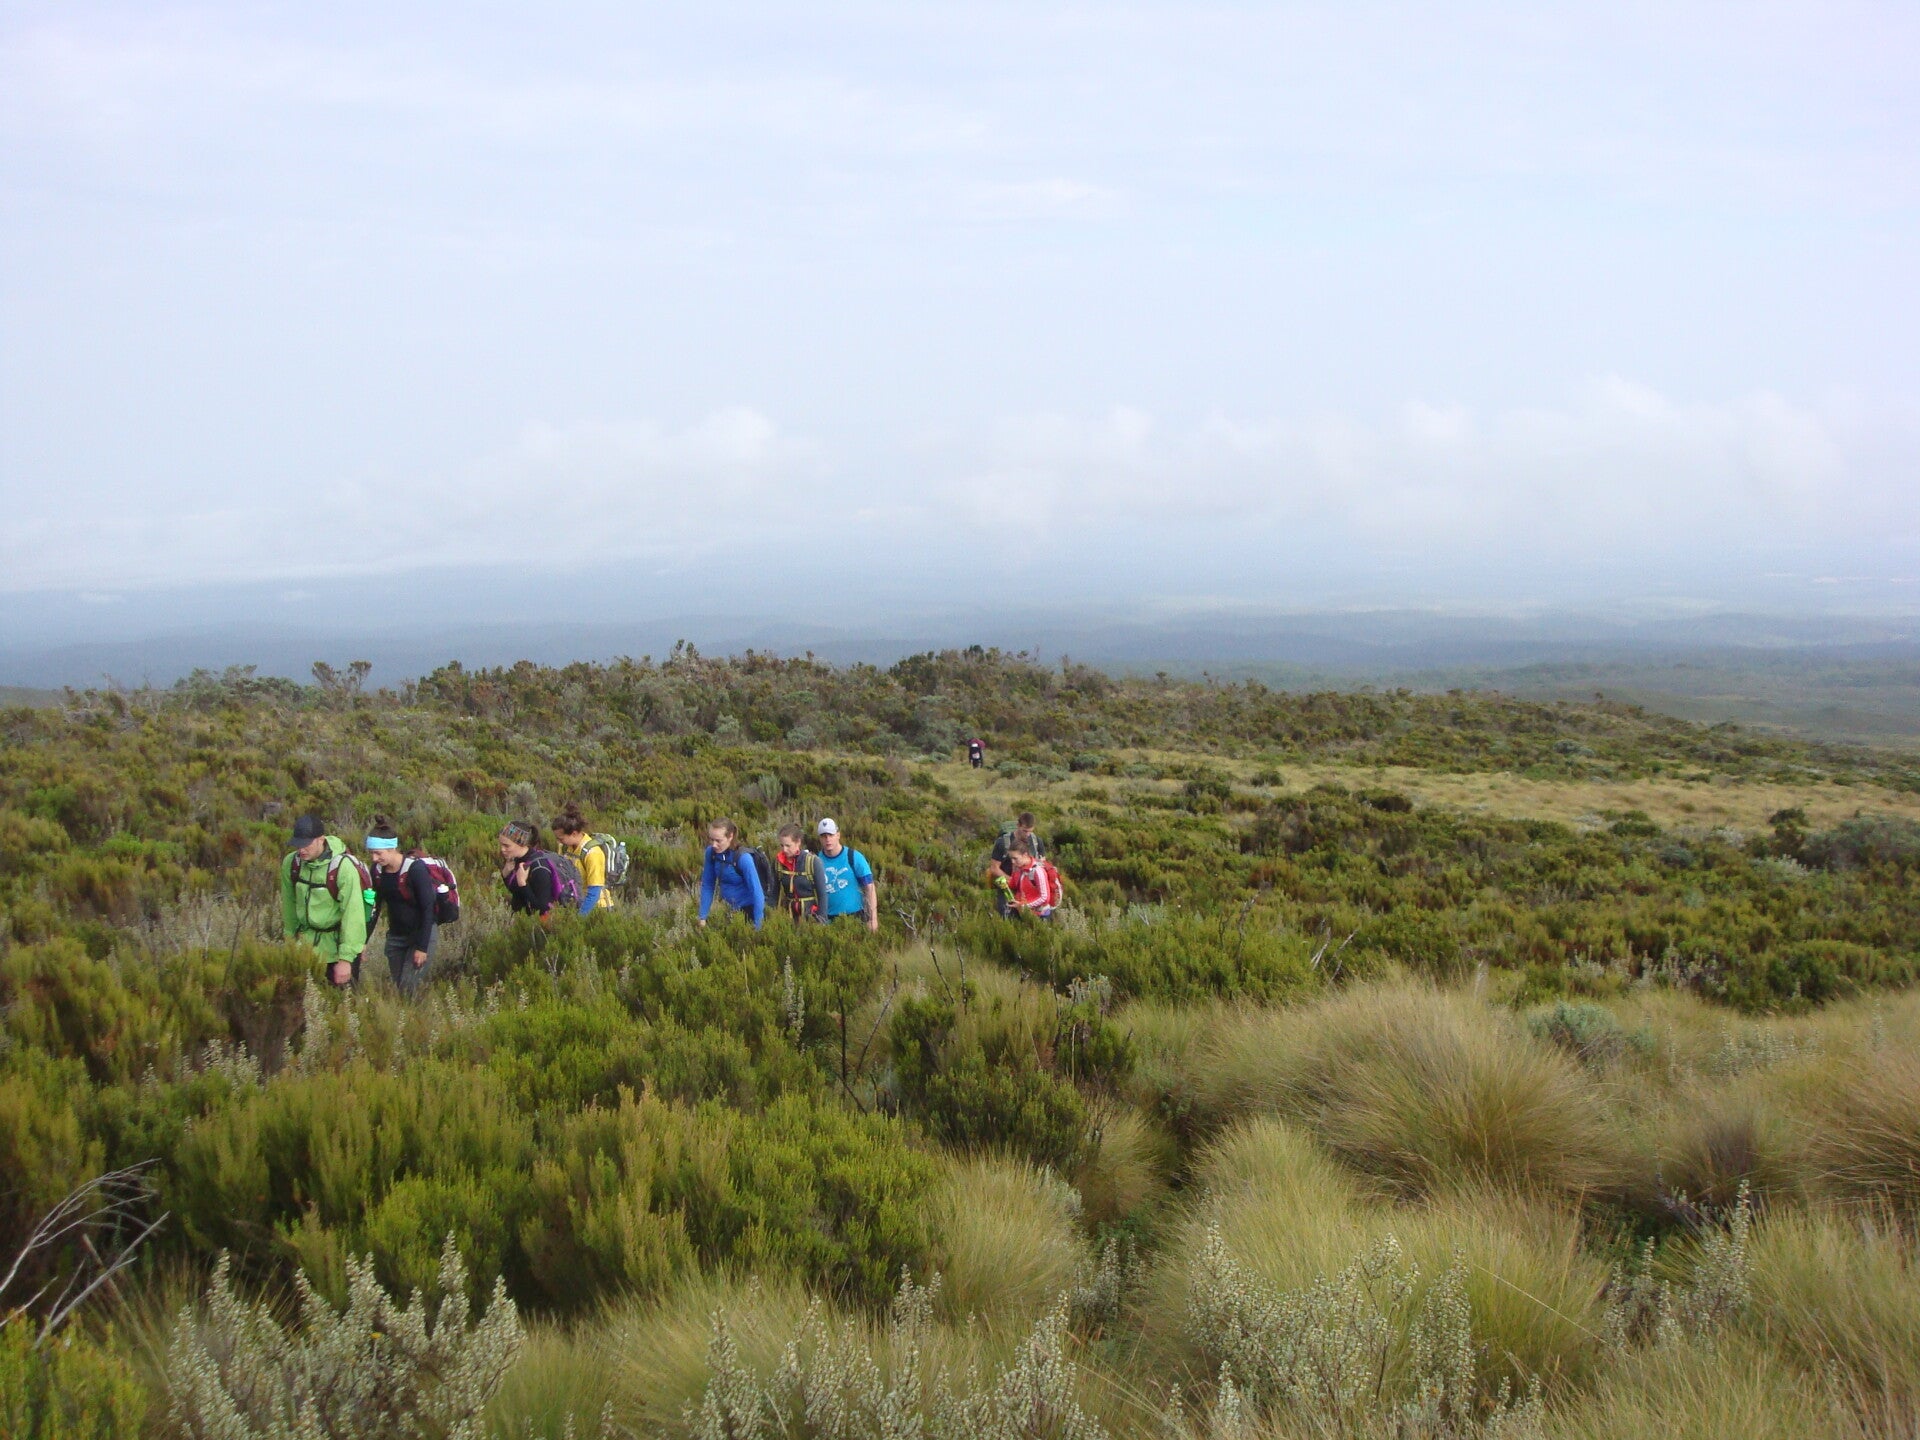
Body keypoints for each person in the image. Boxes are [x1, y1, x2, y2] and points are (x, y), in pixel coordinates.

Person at [282, 813, 371, 988]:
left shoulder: (343, 868)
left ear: (321, 840)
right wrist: (290, 942)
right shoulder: (291, 864)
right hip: (305, 949)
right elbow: (289, 906)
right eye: (297, 845)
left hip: (336, 951)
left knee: (341, 1008)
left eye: (306, 844)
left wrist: (345, 959)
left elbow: (353, 915)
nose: (301, 850)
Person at [365, 814, 436, 997]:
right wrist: (363, 941)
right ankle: (405, 1019)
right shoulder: (378, 871)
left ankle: (414, 1021)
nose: (374, 858)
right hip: (396, 937)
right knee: (399, 987)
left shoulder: (415, 869)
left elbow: (428, 908)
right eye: (372, 853)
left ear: (392, 849)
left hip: (420, 935)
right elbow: (375, 906)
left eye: (378, 853)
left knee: (407, 987)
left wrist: (422, 947)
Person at [499, 821, 576, 919]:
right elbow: (517, 893)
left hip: (541, 927)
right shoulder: (516, 860)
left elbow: (543, 908)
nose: (502, 849)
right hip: (524, 922)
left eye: (506, 846)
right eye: (501, 844)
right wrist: (506, 875)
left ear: (521, 843)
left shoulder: (539, 867)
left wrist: (523, 883)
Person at [699, 818, 766, 929]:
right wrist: (703, 916)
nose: (714, 844)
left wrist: (758, 926)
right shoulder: (711, 853)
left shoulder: (743, 858)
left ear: (730, 836)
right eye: (711, 840)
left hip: (750, 910)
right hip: (729, 909)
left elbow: (757, 893)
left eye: (718, 841)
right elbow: (708, 884)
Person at [816, 818, 877, 931]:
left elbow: (870, 888)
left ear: (838, 835)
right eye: (824, 836)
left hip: (855, 919)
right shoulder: (816, 861)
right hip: (828, 922)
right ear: (820, 839)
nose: (827, 839)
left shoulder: (854, 857)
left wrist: (872, 919)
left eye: (830, 835)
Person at [552, 805, 615, 914]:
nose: (558, 842)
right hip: (576, 902)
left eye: (561, 838)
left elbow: (594, 891)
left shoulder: (593, 853)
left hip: (597, 908)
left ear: (574, 833)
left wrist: (580, 917)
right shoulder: (567, 848)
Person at [987, 812, 1046, 916]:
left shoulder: (1036, 841)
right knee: (1007, 915)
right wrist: (1013, 881)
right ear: (1018, 826)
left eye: (1030, 831)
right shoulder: (1002, 842)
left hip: (1030, 888)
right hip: (1008, 885)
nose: (1027, 834)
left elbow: (1042, 864)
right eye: (1024, 831)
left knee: (1032, 917)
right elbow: (994, 868)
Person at [770, 822, 827, 922]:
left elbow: (822, 895)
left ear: (798, 842)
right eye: (782, 845)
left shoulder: (813, 862)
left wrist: (821, 920)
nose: (784, 849)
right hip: (789, 917)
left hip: (811, 917)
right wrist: (770, 918)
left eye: (788, 845)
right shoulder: (778, 863)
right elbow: (774, 894)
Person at [1005, 836, 1064, 920]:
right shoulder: (1018, 867)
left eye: (1015, 858)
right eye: (1011, 858)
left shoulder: (1037, 871)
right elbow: (1015, 885)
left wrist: (1023, 906)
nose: (1012, 862)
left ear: (1025, 855)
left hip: (1039, 915)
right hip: (1023, 912)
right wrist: (1005, 884)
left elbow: (1044, 898)